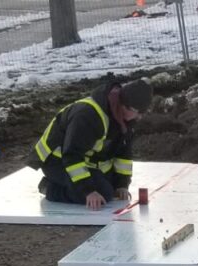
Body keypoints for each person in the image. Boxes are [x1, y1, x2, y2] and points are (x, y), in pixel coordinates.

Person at [32, 79, 152, 210]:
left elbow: (123, 154)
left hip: (82, 160)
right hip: (56, 161)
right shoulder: (87, 115)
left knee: (111, 188)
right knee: (103, 193)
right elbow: (72, 155)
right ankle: (50, 188)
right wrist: (88, 191)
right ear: (124, 105)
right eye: (138, 112)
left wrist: (122, 185)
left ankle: (74, 185)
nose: (139, 117)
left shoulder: (125, 118)